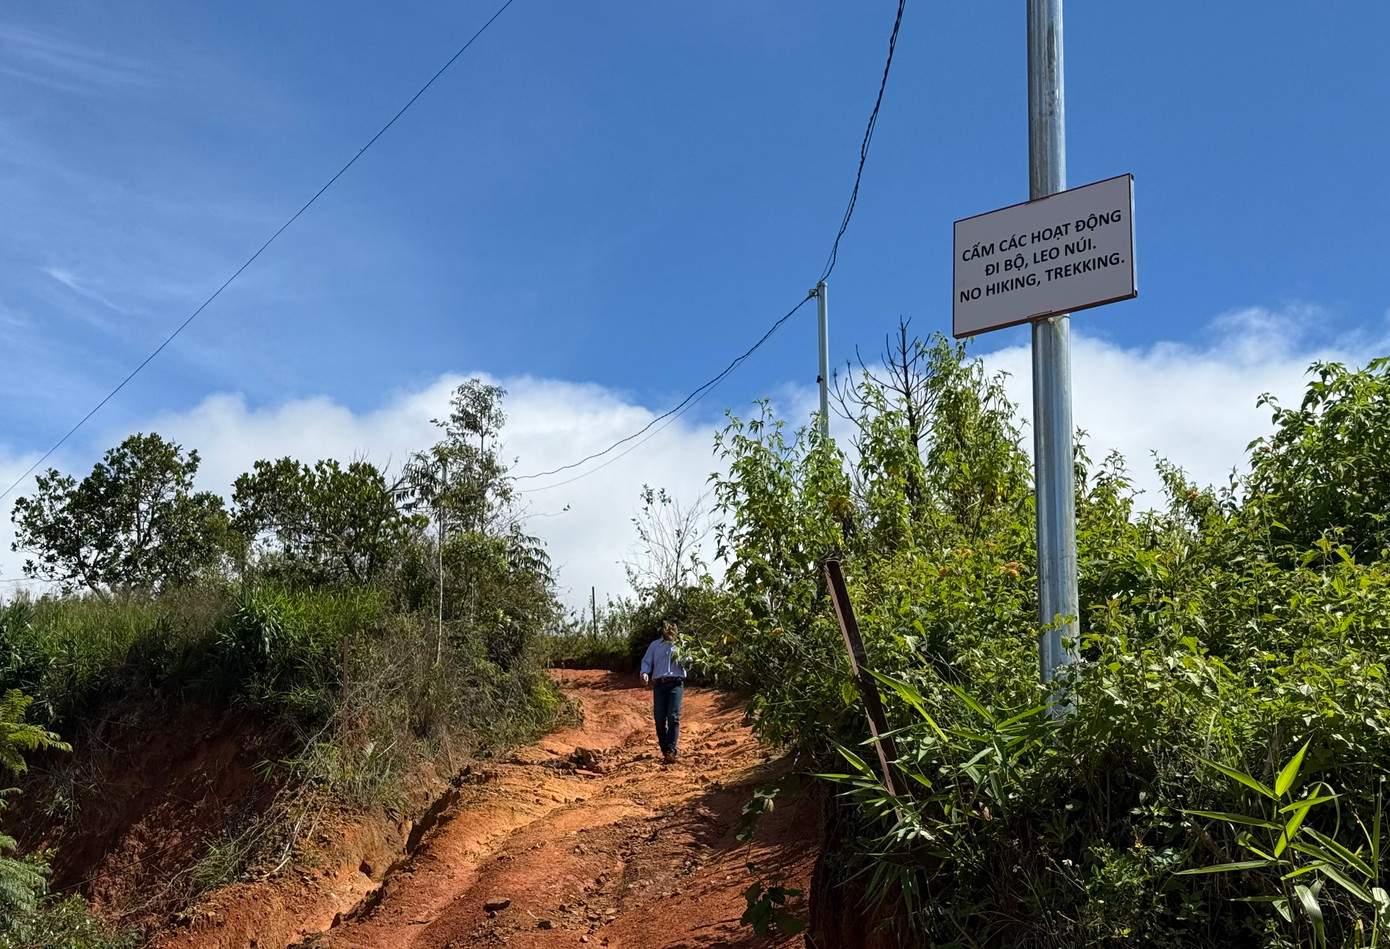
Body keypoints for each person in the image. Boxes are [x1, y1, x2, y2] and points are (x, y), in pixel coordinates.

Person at [640, 619, 688, 764]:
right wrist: (644, 673)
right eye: (667, 627)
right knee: (660, 720)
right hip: (659, 685)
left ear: (677, 629)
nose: (670, 630)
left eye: (673, 627)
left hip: (676, 684)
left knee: (673, 717)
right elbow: (647, 661)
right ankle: (665, 749)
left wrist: (686, 657)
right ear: (663, 629)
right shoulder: (655, 645)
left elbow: (689, 663)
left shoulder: (682, 645)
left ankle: (671, 751)